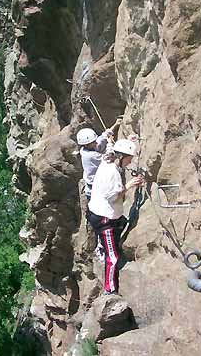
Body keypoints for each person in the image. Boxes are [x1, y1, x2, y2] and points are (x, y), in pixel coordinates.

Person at [87, 139, 144, 295]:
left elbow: (110, 148)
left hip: (96, 212)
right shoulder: (112, 173)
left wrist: (127, 141)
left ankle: (103, 245)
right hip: (105, 219)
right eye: (129, 158)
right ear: (121, 157)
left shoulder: (107, 160)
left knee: (120, 224)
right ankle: (110, 289)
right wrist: (129, 185)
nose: (131, 161)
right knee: (113, 257)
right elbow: (113, 197)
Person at [76, 119, 122, 200]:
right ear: (87, 145)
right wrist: (110, 143)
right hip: (94, 191)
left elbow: (102, 137)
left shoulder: (88, 147)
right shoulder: (90, 156)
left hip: (94, 187)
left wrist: (116, 124)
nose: (96, 143)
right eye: (93, 142)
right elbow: (109, 157)